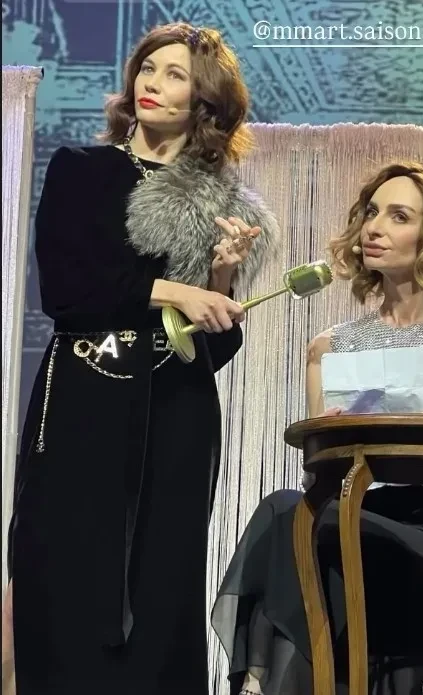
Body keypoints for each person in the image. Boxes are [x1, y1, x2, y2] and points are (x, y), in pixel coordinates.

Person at [7, 22, 279, 695]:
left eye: (174, 75)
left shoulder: (222, 203)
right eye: (147, 69)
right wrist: (175, 290)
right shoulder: (81, 169)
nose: (152, 84)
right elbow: (67, 292)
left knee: (161, 588)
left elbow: (212, 349)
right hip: (83, 400)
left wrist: (220, 279)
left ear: (205, 101)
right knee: (61, 573)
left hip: (176, 415)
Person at [211, 162, 423, 695]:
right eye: (372, 212)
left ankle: (262, 684)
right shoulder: (331, 346)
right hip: (352, 523)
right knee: (294, 517)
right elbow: (320, 480)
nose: (374, 228)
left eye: (399, 216)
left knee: (293, 524)